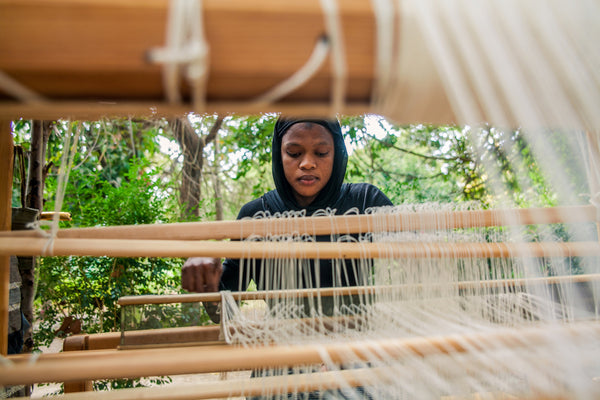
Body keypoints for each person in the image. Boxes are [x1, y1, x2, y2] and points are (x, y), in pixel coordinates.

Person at [182, 116, 392, 314]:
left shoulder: (365, 202)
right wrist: (207, 274)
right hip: (284, 345)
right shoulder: (255, 216)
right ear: (278, 154)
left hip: (354, 343)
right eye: (294, 153)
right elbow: (223, 311)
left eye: (321, 153)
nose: (307, 163)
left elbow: (414, 243)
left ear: (336, 154)